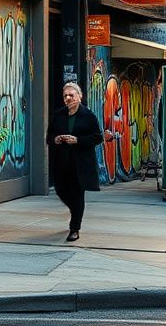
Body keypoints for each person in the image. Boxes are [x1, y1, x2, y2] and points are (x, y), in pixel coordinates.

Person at [46, 82, 107, 242]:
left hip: (80, 163)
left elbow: (97, 137)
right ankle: (75, 212)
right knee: (61, 191)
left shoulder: (88, 115)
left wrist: (78, 140)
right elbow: (49, 137)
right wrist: (56, 139)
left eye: (71, 95)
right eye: (65, 95)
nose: (68, 98)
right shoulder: (58, 115)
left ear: (79, 97)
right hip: (61, 161)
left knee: (78, 195)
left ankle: (75, 228)